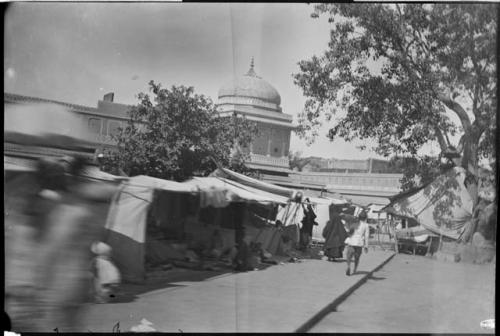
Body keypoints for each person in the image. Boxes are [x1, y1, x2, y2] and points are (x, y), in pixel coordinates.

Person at [344, 211, 370, 276]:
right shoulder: (366, 225)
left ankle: (348, 266)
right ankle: (355, 269)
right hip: (359, 243)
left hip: (352, 242)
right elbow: (366, 236)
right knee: (357, 257)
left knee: (349, 256)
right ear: (365, 218)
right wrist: (366, 246)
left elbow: (348, 230)